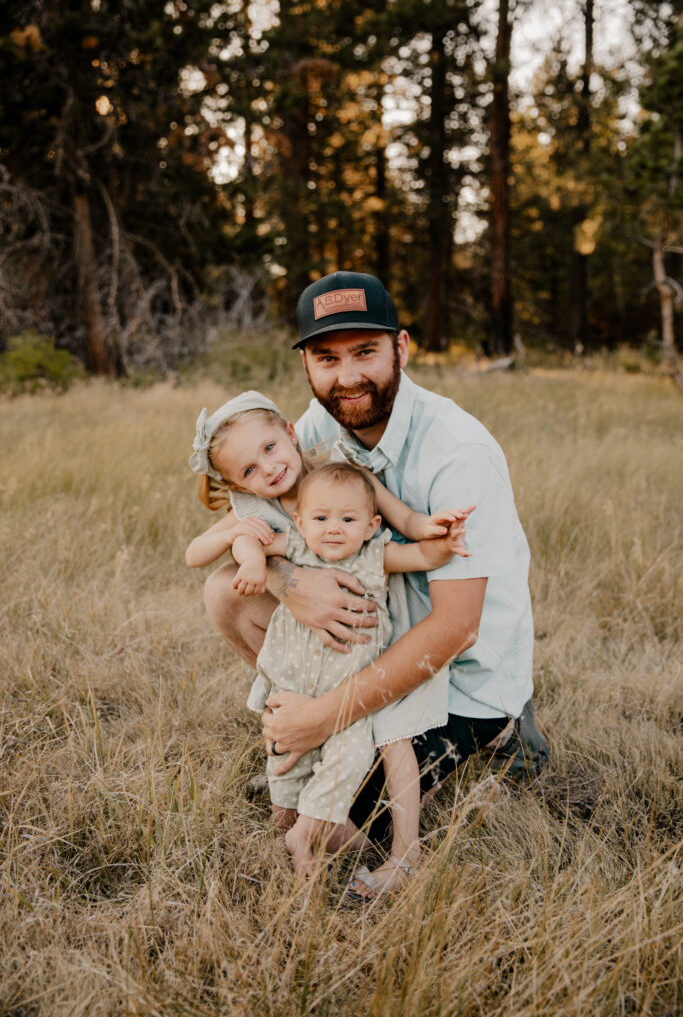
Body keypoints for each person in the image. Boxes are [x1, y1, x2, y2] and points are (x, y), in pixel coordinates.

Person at [203, 271, 549, 901]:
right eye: (326, 358)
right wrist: (289, 582)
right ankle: (325, 730)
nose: (347, 377)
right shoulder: (313, 424)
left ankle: (506, 729)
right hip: (372, 635)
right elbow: (241, 520)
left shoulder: (457, 452)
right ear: (307, 364)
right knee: (227, 592)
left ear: (402, 349)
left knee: (336, 831)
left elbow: (455, 629)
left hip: (459, 675)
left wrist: (320, 717)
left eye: (366, 351)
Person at [186, 393, 473, 886]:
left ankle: (400, 851)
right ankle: (303, 797)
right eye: (249, 470)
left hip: (367, 637)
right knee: (293, 702)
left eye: (272, 448)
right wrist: (253, 556)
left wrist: (429, 529)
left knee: (387, 735)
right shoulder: (262, 508)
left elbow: (400, 523)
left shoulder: (343, 477)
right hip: (307, 649)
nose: (269, 469)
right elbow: (213, 548)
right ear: (237, 486)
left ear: (293, 433)